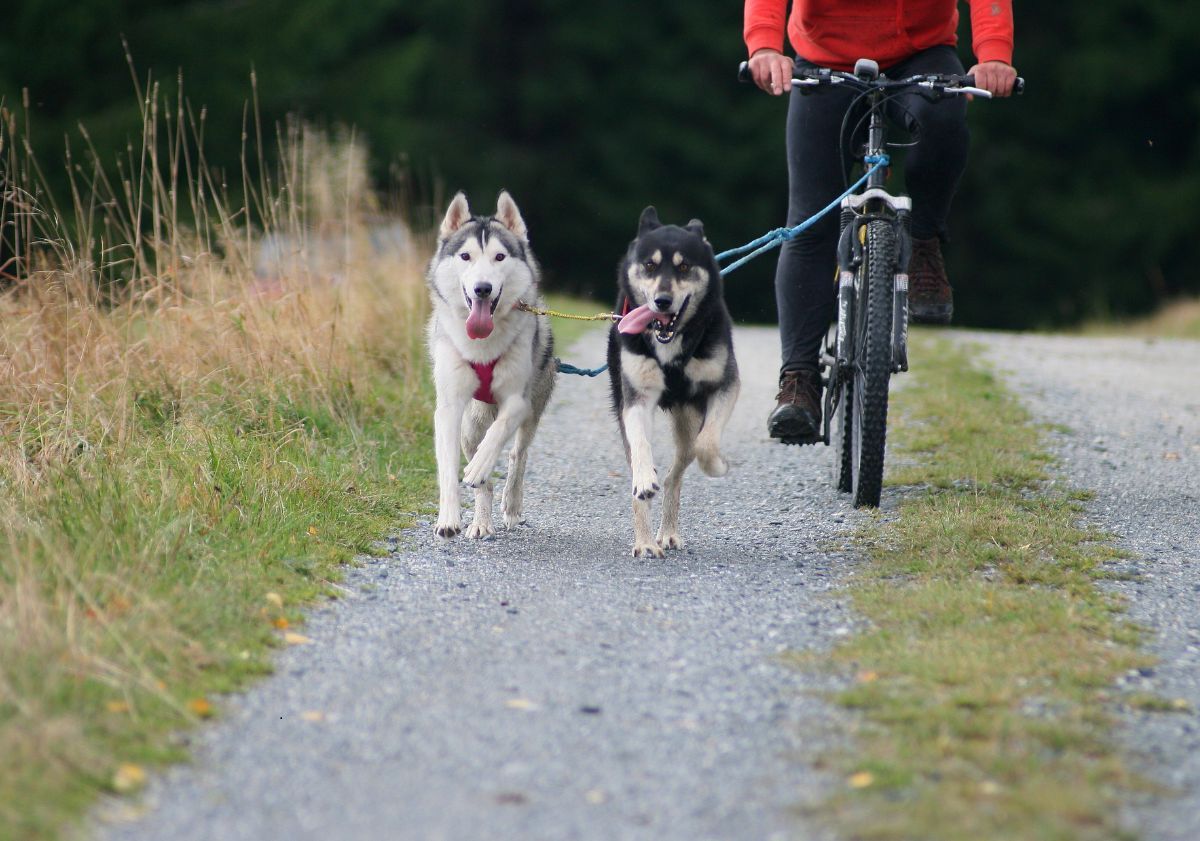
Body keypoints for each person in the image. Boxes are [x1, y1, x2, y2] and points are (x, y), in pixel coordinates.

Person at [744, 1, 1017, 444]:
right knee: (810, 224)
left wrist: (994, 54)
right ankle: (799, 381)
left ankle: (924, 242)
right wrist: (763, 47)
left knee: (945, 120)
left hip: (921, 53)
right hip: (825, 57)